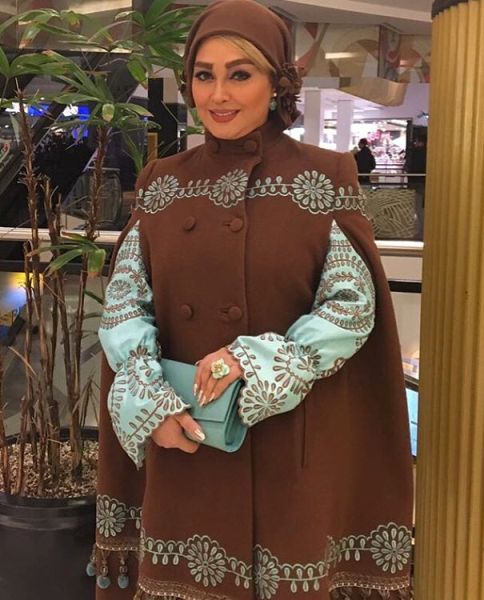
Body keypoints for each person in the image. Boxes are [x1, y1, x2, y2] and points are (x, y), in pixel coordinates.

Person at [93, 1, 413, 598]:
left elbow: (351, 304)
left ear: (276, 82)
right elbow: (125, 301)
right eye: (204, 74)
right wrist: (149, 402)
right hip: (184, 437)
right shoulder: (161, 181)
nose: (219, 94)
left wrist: (255, 360)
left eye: (240, 74)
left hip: (289, 441)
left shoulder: (325, 175)